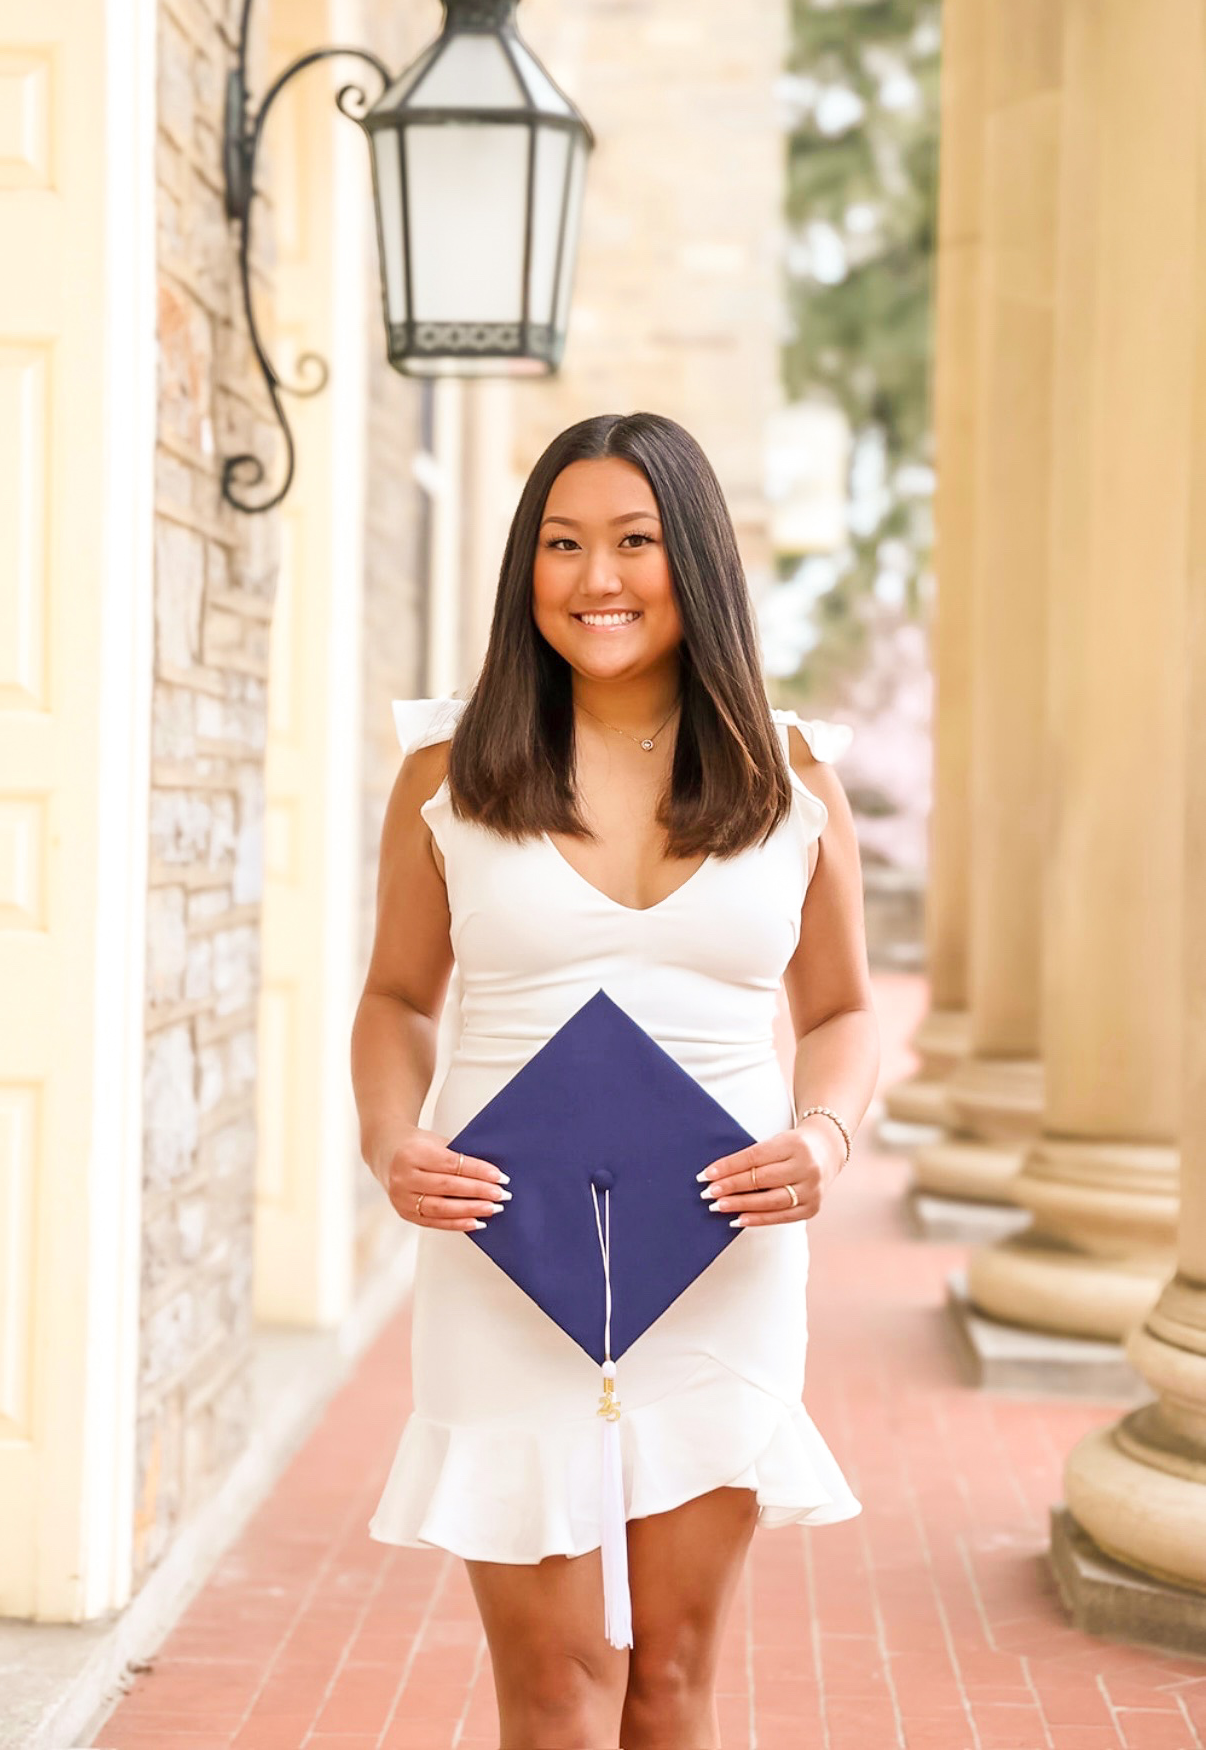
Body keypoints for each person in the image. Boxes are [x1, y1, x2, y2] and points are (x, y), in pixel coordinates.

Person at [350, 411, 880, 1750]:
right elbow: (396, 999)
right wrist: (385, 1136)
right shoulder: (451, 770)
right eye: (562, 543)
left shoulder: (789, 775)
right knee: (555, 1689)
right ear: (524, 570)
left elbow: (842, 1011)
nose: (597, 577)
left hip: (717, 1254)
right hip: (502, 1252)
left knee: (673, 1682)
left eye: (634, 542)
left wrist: (820, 1138)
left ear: (691, 561)